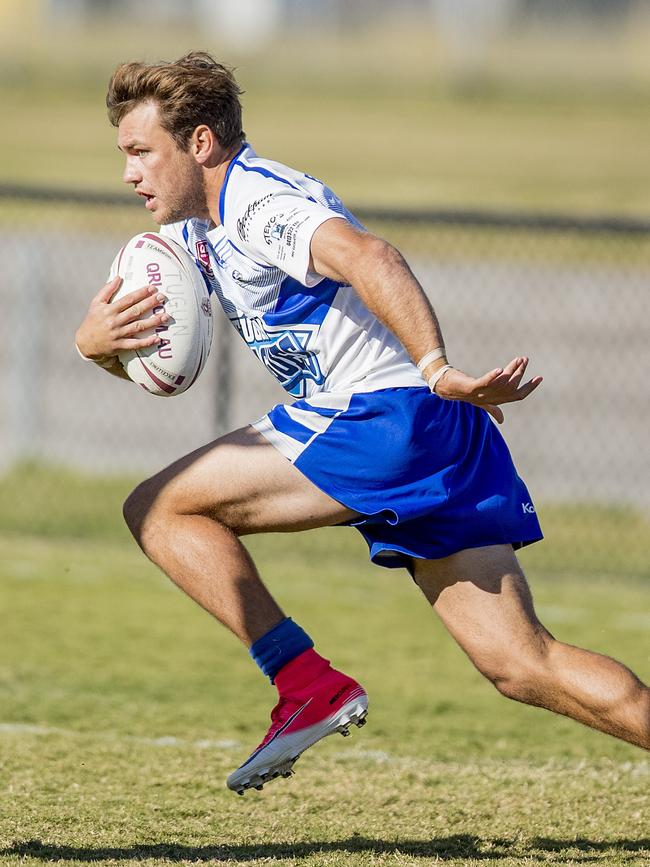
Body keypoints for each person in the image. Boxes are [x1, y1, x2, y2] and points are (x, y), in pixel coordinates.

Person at [75, 52, 650, 793]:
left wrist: (437, 364)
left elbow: (371, 256)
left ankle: (303, 681)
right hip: (433, 431)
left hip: (385, 415)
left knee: (157, 507)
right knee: (521, 664)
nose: (129, 174)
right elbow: (155, 361)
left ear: (200, 143)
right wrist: (95, 347)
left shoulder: (256, 200)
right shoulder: (195, 234)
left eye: (139, 152)